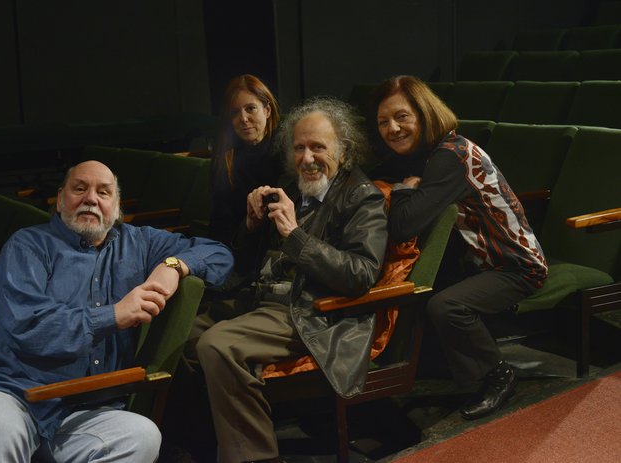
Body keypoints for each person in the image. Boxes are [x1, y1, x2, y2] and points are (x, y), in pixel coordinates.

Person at [0, 160, 233, 462]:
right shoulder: (27, 246)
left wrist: (173, 266)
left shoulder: (141, 243)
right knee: (1, 431)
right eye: (80, 188)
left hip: (82, 408)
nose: (91, 199)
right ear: (60, 200)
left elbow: (219, 254)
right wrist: (114, 315)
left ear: (117, 206)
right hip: (9, 391)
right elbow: (30, 327)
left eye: (103, 192)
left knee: (142, 435)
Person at [190, 96, 388, 462]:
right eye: (299, 148)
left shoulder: (362, 199)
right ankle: (199, 444)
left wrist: (295, 235)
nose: (307, 158)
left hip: (313, 311)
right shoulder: (291, 188)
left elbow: (359, 274)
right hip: (263, 300)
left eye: (318, 147)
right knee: (179, 333)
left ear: (343, 151)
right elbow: (250, 263)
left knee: (217, 345)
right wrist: (251, 227)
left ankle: (255, 456)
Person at [371, 75, 548, 420]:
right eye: (383, 121)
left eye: (402, 117)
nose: (392, 128)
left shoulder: (450, 156)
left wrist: (405, 189)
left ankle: (499, 375)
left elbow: (405, 224)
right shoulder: (437, 152)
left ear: (425, 113)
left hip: (516, 265)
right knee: (420, 289)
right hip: (483, 261)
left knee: (446, 306)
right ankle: (441, 368)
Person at [209, 74, 283, 254]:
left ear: (267, 110)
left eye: (251, 109)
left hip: (279, 246)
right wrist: (247, 227)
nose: (243, 118)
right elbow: (220, 225)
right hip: (238, 247)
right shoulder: (225, 159)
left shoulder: (286, 151)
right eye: (235, 112)